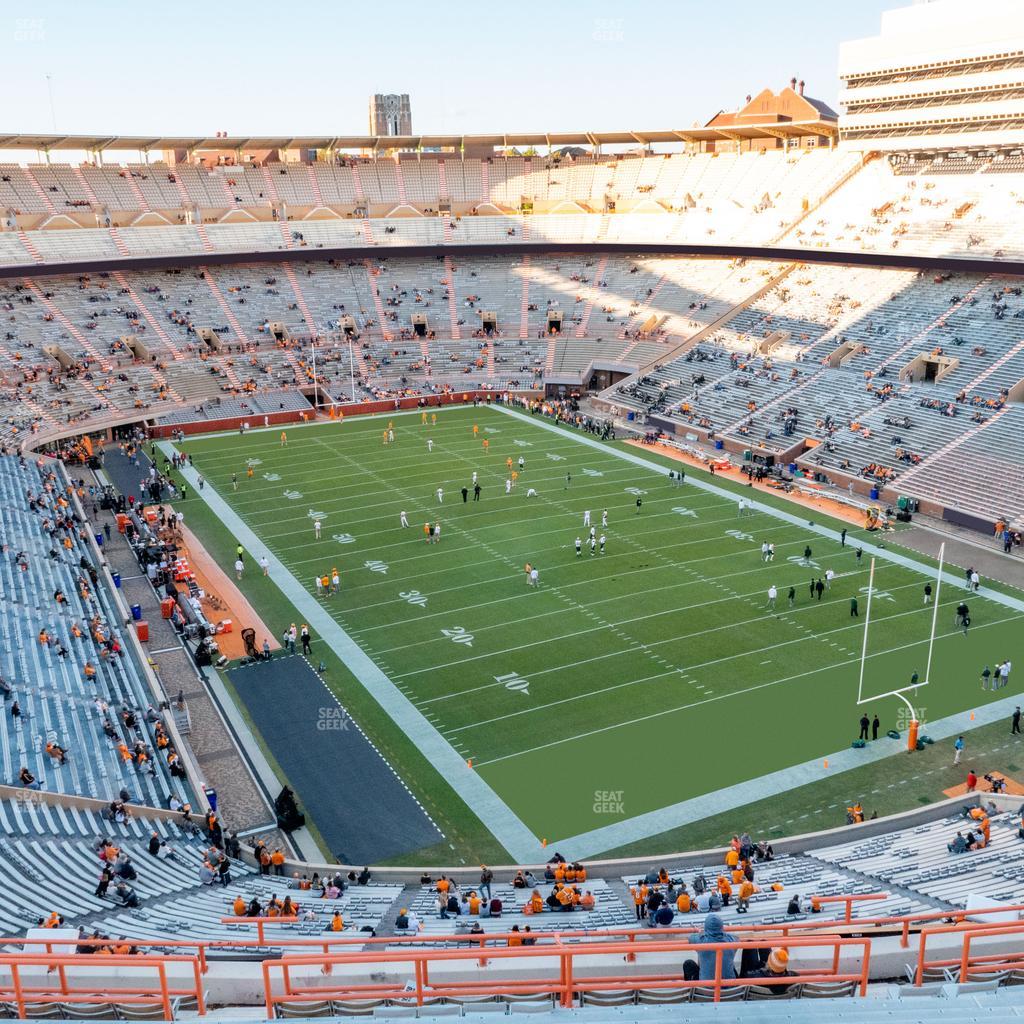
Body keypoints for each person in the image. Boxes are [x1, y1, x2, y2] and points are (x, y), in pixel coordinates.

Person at [684, 913, 734, 982]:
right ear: (722, 926)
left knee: (688, 964)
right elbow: (736, 937)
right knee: (730, 965)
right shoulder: (731, 940)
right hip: (730, 987)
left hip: (706, 989)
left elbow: (690, 938)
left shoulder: (700, 940)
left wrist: (700, 933)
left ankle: (691, 988)